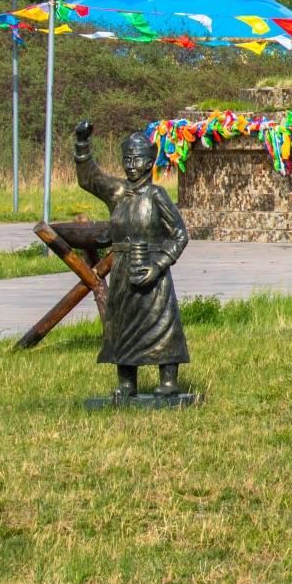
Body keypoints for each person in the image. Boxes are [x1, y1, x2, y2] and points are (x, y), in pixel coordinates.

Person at [74, 120, 190, 400]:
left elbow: (179, 234)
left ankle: (168, 379)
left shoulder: (157, 195)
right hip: (124, 269)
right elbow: (89, 178)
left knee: (162, 322)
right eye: (126, 159)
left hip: (152, 269)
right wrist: (82, 143)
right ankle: (127, 382)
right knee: (122, 323)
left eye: (137, 159)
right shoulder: (117, 193)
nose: (131, 165)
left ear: (149, 163)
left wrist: (158, 264)